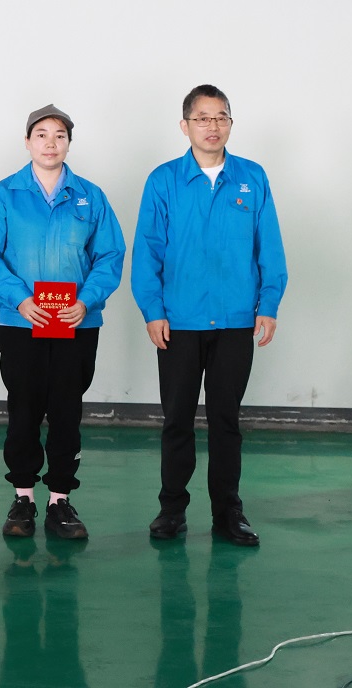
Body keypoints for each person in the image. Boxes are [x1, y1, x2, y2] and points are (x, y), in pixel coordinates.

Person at [131, 84, 286, 546]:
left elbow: (269, 246)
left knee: (226, 421)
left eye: (221, 117)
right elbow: (147, 251)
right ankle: (171, 509)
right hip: (178, 321)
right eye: (202, 118)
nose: (212, 126)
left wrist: (269, 304)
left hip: (236, 320)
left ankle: (228, 512)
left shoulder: (252, 178)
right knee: (177, 419)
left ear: (230, 124)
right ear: (185, 126)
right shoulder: (163, 181)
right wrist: (153, 310)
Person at [0, 105, 124, 540]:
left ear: (69, 144)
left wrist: (86, 300)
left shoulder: (90, 196)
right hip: (21, 323)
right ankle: (22, 497)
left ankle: (60, 499)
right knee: (22, 410)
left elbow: (110, 255)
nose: (50, 143)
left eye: (59, 135)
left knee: (66, 410)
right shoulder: (4, 195)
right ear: (27, 142)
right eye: (41, 134)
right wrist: (20, 299)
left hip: (76, 324)